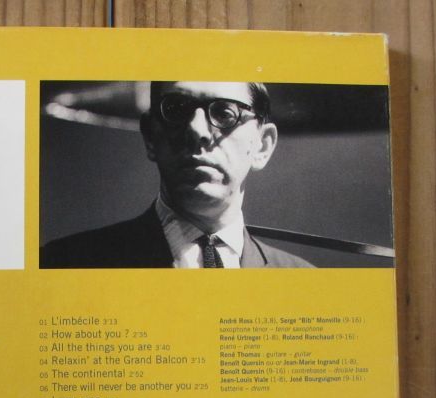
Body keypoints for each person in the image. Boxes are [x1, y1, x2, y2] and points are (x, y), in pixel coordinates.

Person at [40, 81, 313, 269]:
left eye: (224, 113)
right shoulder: (65, 263)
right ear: (150, 137)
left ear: (262, 145)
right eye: (175, 110)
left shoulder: (302, 281)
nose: (197, 130)